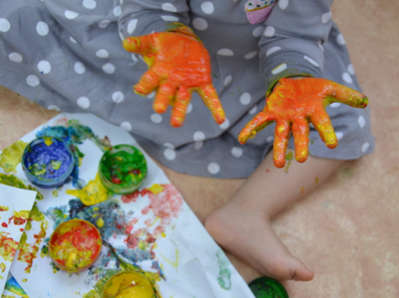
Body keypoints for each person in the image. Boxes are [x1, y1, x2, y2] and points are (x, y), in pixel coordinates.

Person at [0, 0, 374, 281]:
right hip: (150, 39)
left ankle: (246, 214)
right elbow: (145, 9)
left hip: (247, 55)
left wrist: (293, 75)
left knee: (341, 121)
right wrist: (166, 37)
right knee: (19, 25)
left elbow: (297, 34)